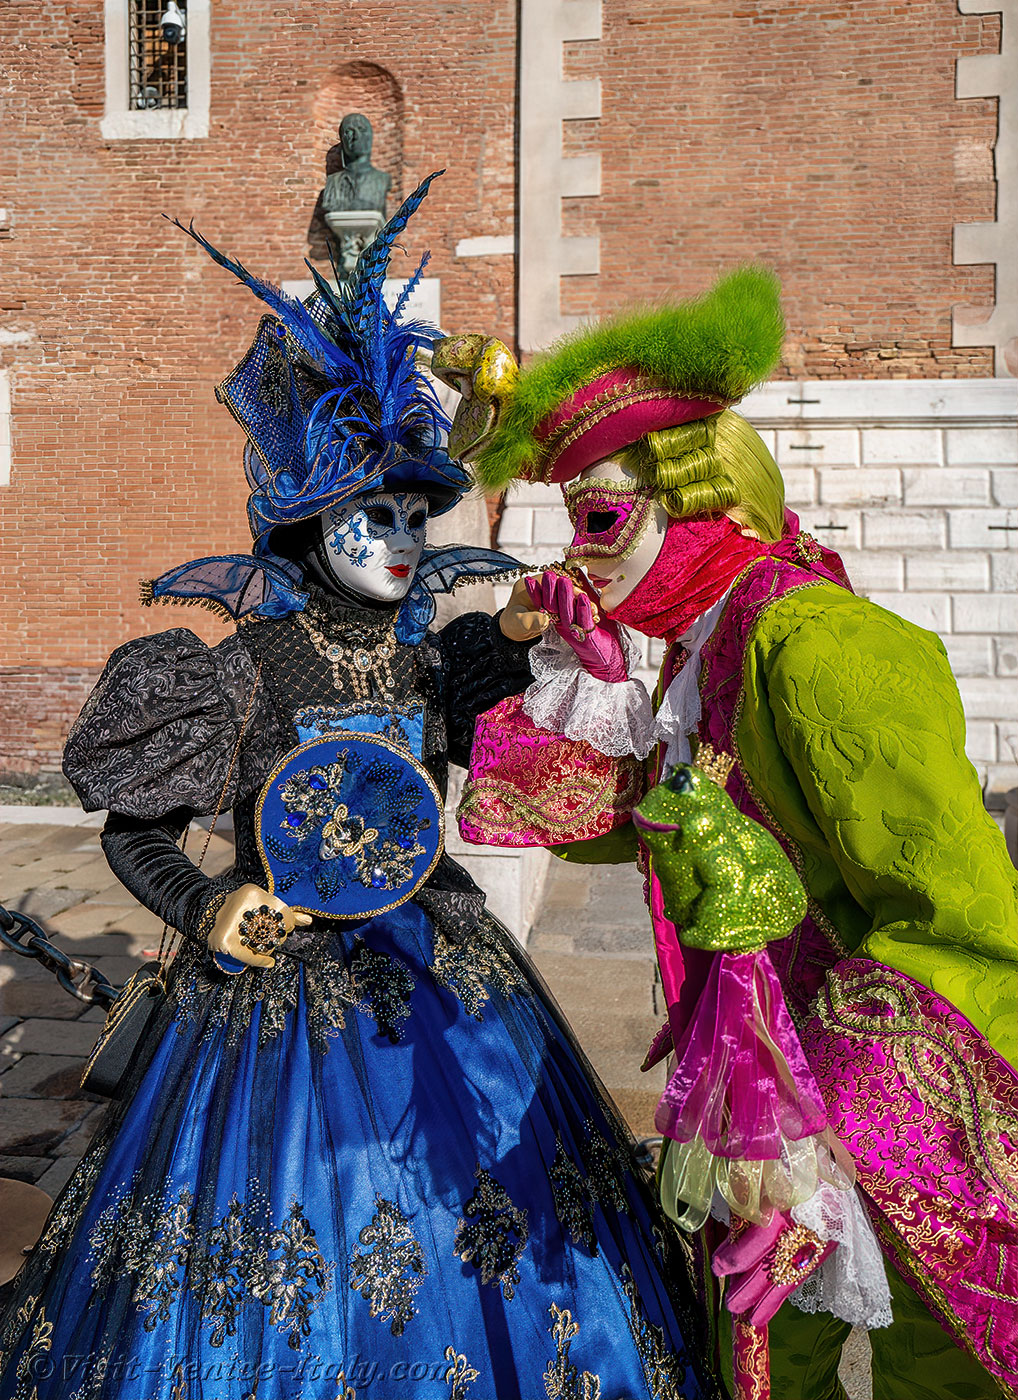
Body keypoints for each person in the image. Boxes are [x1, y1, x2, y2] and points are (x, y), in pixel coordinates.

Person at [0, 178, 721, 1400]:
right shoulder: (234, 674)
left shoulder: (438, 655)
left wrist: (547, 634)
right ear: (308, 523)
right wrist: (209, 906)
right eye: (369, 515)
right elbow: (137, 829)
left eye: (410, 515)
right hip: (277, 981)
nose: (399, 537)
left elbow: (521, 724)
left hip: (445, 965)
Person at [442, 266, 1018, 1400]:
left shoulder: (819, 649)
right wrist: (587, 682)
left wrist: (824, 1139)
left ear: (707, 501)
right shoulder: (708, 657)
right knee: (754, 1363)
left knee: (928, 1371)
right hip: (756, 1105)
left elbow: (964, 922)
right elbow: (619, 828)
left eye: (601, 521)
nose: (579, 559)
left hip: (888, 1129)